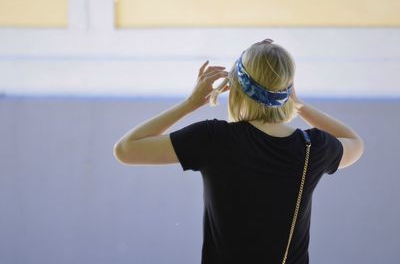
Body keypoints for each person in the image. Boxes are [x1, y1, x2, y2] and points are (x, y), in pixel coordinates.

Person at [113, 39, 364, 264]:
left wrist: (190, 104)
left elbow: (126, 149)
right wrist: (298, 104)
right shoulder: (313, 147)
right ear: (288, 90)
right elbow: (354, 142)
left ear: (236, 89)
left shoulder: (213, 139)